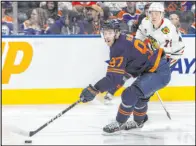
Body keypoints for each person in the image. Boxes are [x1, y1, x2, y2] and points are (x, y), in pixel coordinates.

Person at [79, 19, 171, 134]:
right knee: (140, 98)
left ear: (117, 33)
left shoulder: (118, 47)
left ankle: (119, 123)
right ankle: (139, 121)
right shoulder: (122, 40)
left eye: (110, 33)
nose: (107, 36)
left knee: (130, 94)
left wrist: (94, 89)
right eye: (105, 33)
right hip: (153, 70)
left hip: (158, 72)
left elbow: (113, 79)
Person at [103, 2, 185, 104]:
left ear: (162, 14)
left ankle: (143, 98)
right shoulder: (146, 22)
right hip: (154, 47)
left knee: (151, 76)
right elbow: (139, 37)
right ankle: (111, 91)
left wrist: (148, 66)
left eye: (157, 13)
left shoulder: (167, 29)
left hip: (172, 53)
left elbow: (164, 55)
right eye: (151, 13)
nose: (153, 16)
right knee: (130, 70)